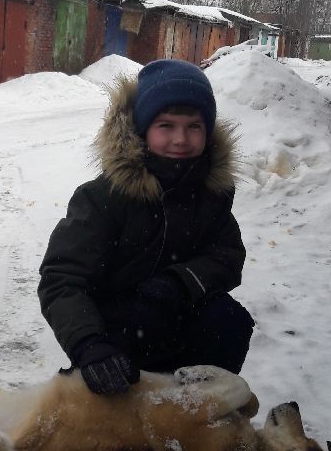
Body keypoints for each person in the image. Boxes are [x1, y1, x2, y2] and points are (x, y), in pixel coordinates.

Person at [38, 58, 253, 395]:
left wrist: (177, 284)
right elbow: (61, 279)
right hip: (114, 331)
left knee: (228, 320)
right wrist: (89, 345)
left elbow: (227, 256)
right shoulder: (102, 197)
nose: (181, 139)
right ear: (142, 130)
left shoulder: (212, 192)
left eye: (194, 126)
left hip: (174, 318)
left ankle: (195, 411)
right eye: (166, 125)